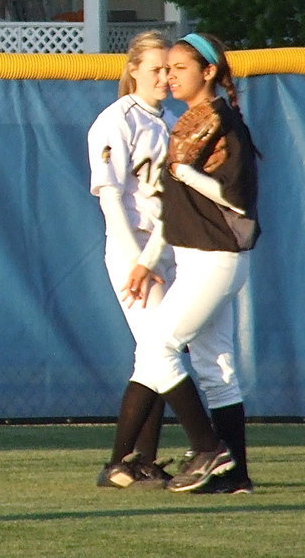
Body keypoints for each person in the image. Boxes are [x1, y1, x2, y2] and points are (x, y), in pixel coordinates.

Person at [112, 32, 260, 494]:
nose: (170, 75)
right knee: (216, 366)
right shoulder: (188, 122)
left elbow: (239, 201)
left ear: (209, 72)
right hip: (195, 255)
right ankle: (235, 475)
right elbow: (173, 212)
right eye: (167, 68)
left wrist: (187, 174)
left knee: (157, 347)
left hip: (216, 257)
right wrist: (148, 259)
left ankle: (208, 449)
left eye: (180, 67)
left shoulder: (223, 122)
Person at [88, 31, 177, 489]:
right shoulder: (116, 120)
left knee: (157, 353)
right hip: (132, 248)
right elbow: (111, 200)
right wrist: (137, 261)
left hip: (166, 247)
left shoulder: (171, 120)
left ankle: (136, 460)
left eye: (169, 69)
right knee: (160, 350)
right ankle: (120, 462)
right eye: (156, 68)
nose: (164, 76)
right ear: (134, 70)